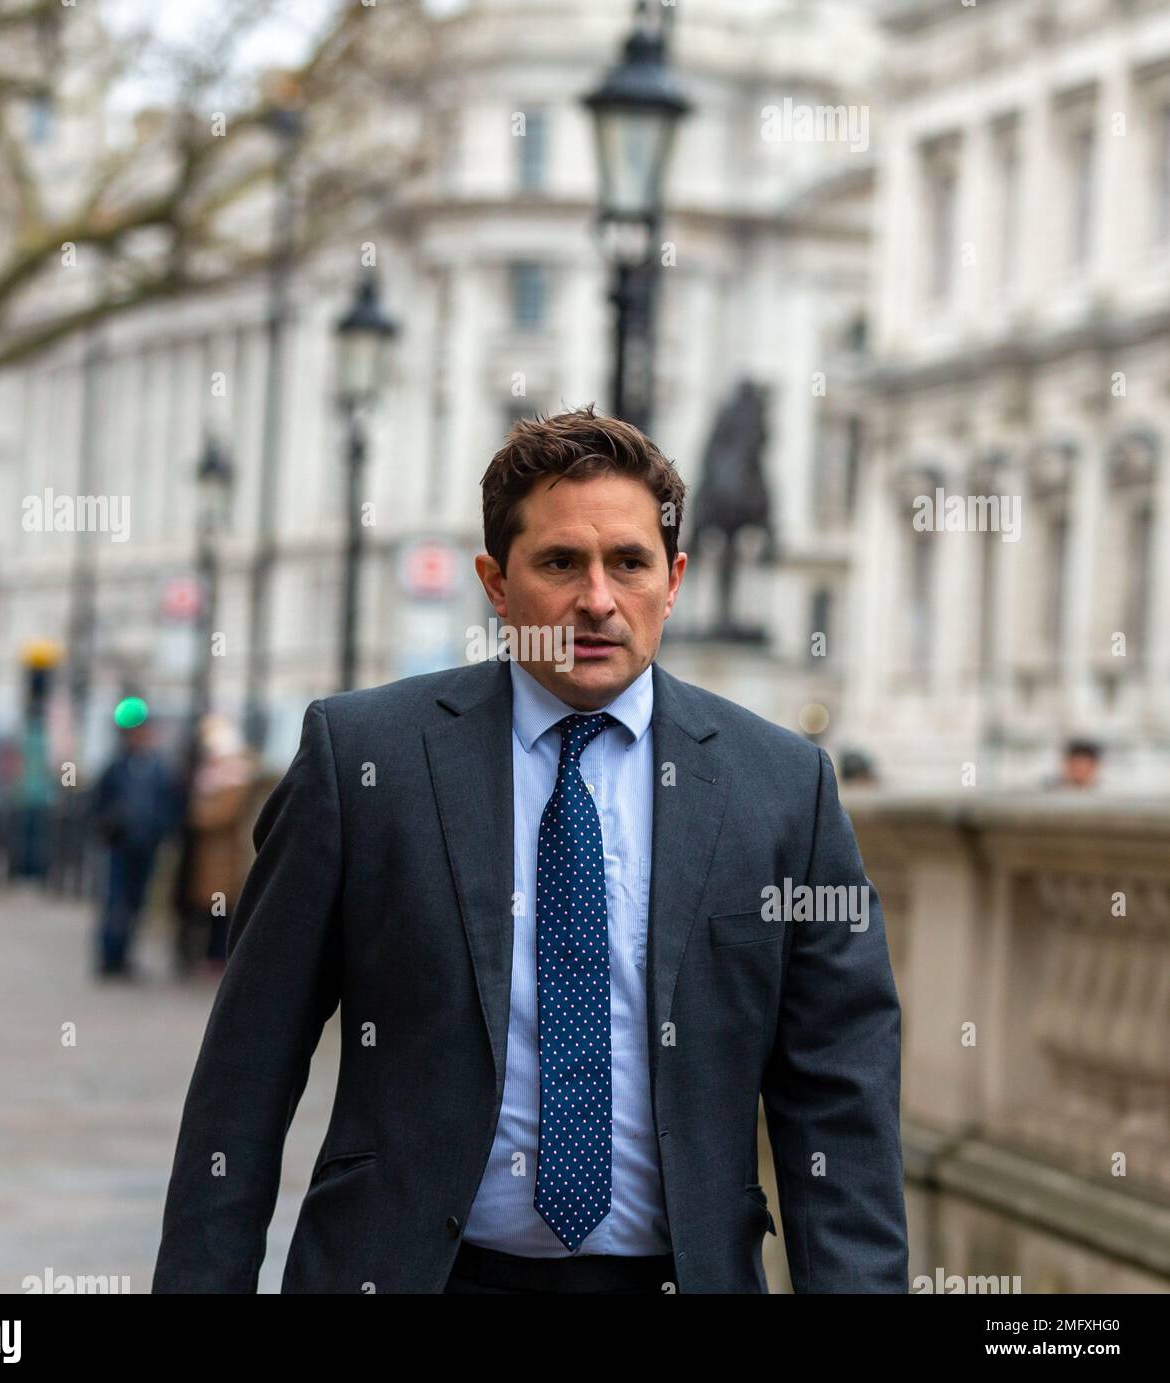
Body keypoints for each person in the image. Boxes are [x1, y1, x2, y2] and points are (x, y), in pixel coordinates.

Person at [153, 405, 908, 1294]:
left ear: (673, 580)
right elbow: (248, 1070)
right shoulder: (363, 760)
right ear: (496, 583)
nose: (597, 598)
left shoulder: (785, 789)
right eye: (560, 562)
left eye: (628, 563)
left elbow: (840, 1104)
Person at [90, 716, 179, 979]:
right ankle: (110, 955)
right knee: (116, 900)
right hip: (120, 845)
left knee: (136, 902)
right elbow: (98, 803)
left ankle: (124, 954)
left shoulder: (159, 769)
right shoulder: (116, 767)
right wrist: (109, 826)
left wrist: (162, 830)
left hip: (146, 845)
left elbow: (169, 804)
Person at [173, 714, 258, 975]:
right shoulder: (220, 776)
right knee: (208, 909)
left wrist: (197, 813)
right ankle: (205, 955)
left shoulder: (234, 778)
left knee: (220, 909)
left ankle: (215, 956)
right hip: (209, 859)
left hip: (222, 859)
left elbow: (220, 815)